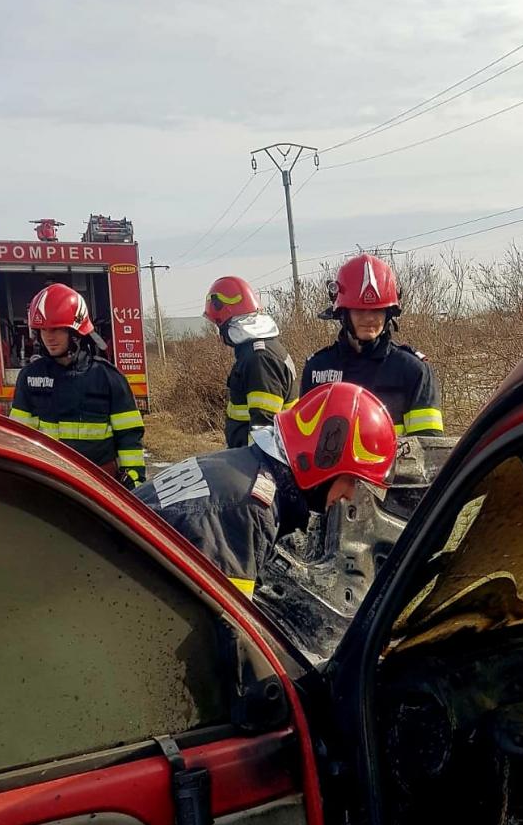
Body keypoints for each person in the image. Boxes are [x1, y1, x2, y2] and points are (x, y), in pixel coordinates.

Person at [135, 382, 396, 598]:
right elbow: (230, 634)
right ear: (323, 464)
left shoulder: (242, 467)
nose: (351, 495)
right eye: (352, 480)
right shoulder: (249, 509)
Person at [9, 284, 146, 487]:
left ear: (76, 331)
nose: (49, 337)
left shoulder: (108, 378)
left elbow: (128, 436)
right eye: (43, 330)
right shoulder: (30, 377)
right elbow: (19, 437)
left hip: (101, 482)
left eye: (56, 328)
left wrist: (132, 477)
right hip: (50, 483)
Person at [301, 253, 444, 437]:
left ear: (389, 313)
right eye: (360, 311)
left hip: (397, 467)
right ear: (343, 314)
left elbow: (428, 451)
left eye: (377, 311)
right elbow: (303, 440)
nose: (369, 318)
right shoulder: (317, 369)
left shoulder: (414, 371)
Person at [204, 275, 298, 448]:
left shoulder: (260, 359)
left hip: (256, 467)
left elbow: (264, 433)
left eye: (218, 326)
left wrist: (249, 468)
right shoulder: (259, 351)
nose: (218, 334)